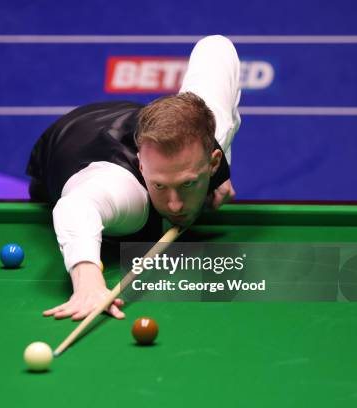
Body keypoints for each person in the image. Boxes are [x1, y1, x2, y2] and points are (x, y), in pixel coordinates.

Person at [26, 35, 241, 321]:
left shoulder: (214, 125)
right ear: (141, 167)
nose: (175, 205)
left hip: (135, 119)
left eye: (187, 183)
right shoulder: (125, 192)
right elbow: (74, 208)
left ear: (211, 161)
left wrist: (220, 172)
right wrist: (88, 280)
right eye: (160, 186)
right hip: (64, 142)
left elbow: (216, 47)